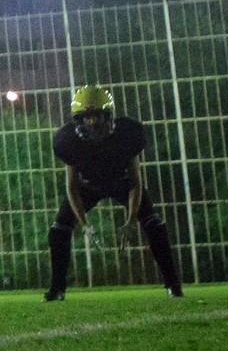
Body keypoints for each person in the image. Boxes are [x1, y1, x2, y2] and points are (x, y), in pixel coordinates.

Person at [47, 85, 183, 301]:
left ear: (108, 115)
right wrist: (84, 225)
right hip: (87, 186)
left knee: (154, 225)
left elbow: (135, 182)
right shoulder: (69, 142)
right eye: (87, 117)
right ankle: (57, 289)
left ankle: (173, 285)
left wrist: (131, 220)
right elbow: (72, 187)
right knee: (58, 230)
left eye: (97, 116)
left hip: (122, 182)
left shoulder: (126, 135)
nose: (92, 122)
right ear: (78, 120)